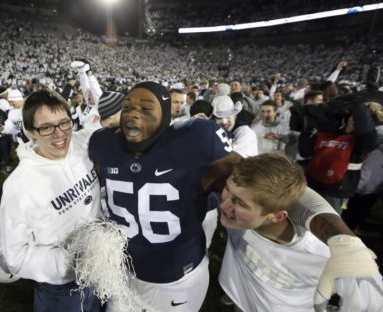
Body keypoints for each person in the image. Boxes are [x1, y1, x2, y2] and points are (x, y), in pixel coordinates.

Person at [88, 81, 382, 312]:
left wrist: (341, 238)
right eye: (127, 106)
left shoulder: (194, 141)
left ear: (166, 116)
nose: (132, 113)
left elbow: (276, 188)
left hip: (176, 277)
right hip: (123, 268)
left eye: (145, 107)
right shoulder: (102, 143)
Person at [218, 153, 383, 311]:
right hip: (240, 298)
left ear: (276, 216)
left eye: (239, 203)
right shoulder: (242, 218)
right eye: (227, 189)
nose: (224, 205)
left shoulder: (321, 254)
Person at [0, 90, 101, 312]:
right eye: (46, 127)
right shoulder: (19, 185)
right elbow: (15, 256)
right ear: (30, 131)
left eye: (64, 123)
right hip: (62, 288)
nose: (59, 134)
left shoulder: (82, 145)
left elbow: (111, 126)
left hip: (101, 270)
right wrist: (69, 261)